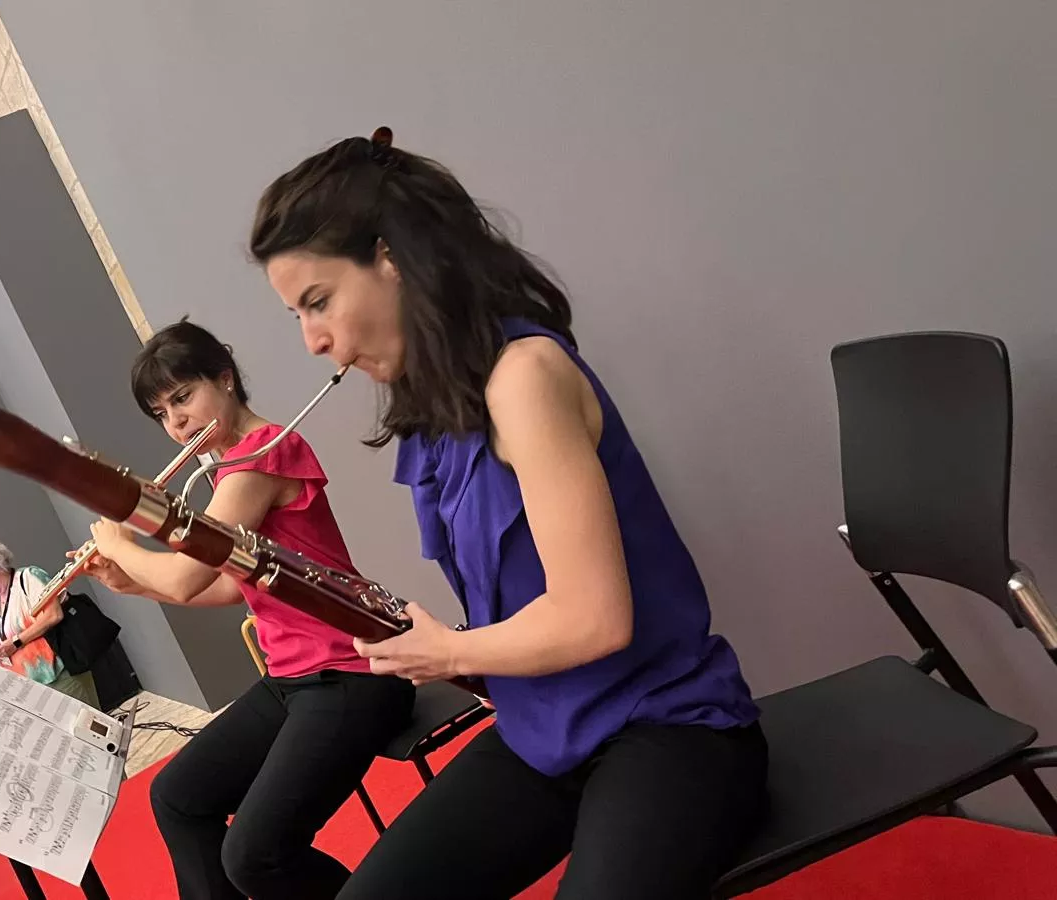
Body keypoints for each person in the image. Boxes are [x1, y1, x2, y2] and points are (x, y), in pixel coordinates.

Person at [247, 127, 768, 900]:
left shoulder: (524, 376)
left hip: (668, 730)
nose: (316, 340)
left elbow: (595, 620)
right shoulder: (438, 409)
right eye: (297, 314)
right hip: (543, 732)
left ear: (392, 259)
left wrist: (450, 653)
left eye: (318, 302)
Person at [79, 319, 413, 900]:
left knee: (255, 857)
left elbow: (187, 578)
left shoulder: (261, 458)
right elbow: (234, 589)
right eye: (161, 413)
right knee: (178, 797)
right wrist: (131, 584)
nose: (176, 422)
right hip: (292, 679)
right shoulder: (231, 468)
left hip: (350, 675)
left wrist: (120, 543)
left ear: (225, 379)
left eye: (183, 398)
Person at [0, 538, 102, 709]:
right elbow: (2, 638)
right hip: (30, 689)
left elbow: (53, 615)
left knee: (90, 726)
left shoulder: (28, 578)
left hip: (59, 673)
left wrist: (16, 642)